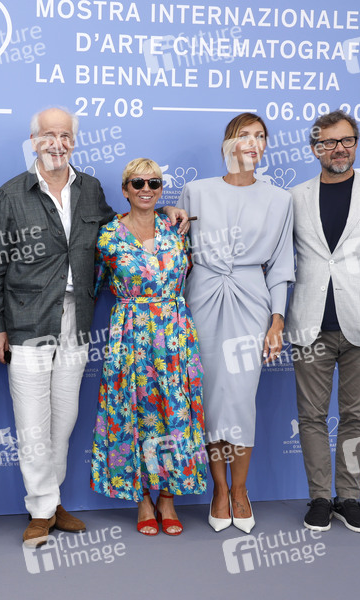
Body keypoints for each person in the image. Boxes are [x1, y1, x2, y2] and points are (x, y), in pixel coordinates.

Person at [0, 107, 190, 546]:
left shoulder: (90, 189)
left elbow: (125, 225)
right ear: (33, 141)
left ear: (74, 142)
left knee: (65, 419)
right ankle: (40, 510)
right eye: (48, 135)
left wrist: (165, 207)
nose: (57, 143)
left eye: (64, 135)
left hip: (76, 320)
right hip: (26, 319)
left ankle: (52, 500)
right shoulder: (11, 194)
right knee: (32, 423)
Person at [287, 110, 360, 534]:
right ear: (314, 148)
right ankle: (320, 498)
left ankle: (349, 498)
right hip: (310, 326)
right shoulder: (294, 197)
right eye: (328, 142)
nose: (338, 149)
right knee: (311, 417)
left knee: (356, 417)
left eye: (346, 140)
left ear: (356, 143)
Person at [177, 113, 294, 533]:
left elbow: (280, 265)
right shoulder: (196, 191)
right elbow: (178, 252)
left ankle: (240, 490)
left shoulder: (280, 199)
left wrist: (277, 320)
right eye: (243, 135)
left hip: (251, 300)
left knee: (240, 398)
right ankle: (220, 490)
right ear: (227, 143)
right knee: (211, 399)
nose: (252, 142)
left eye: (260, 136)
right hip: (202, 298)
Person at [90, 158, 208, 536]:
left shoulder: (176, 228)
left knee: (175, 412)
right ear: (125, 189)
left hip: (174, 335)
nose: (146, 189)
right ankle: (142, 498)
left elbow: (192, 271)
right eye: (138, 183)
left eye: (154, 183)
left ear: (161, 189)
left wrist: (173, 211)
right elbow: (91, 286)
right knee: (135, 413)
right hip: (130, 336)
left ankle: (167, 498)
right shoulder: (108, 236)